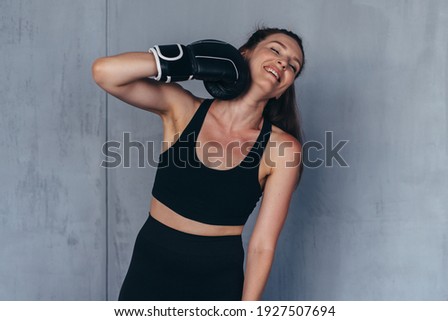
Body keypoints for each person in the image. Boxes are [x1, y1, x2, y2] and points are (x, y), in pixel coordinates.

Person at [92, 27, 305, 301]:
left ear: (282, 90)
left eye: (293, 66)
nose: (283, 63)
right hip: (149, 272)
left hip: (217, 282)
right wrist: (190, 62)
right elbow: (105, 73)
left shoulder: (283, 149)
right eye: (275, 50)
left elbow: (262, 246)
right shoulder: (183, 108)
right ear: (244, 55)